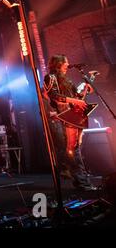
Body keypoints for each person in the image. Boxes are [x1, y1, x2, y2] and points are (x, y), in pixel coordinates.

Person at [43, 54, 96, 191]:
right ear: (59, 63)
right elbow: (54, 96)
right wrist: (75, 101)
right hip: (63, 116)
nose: (68, 64)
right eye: (66, 62)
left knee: (76, 149)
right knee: (72, 149)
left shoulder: (67, 80)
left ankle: (80, 180)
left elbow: (76, 97)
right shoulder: (51, 77)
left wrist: (85, 87)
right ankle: (81, 182)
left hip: (73, 116)